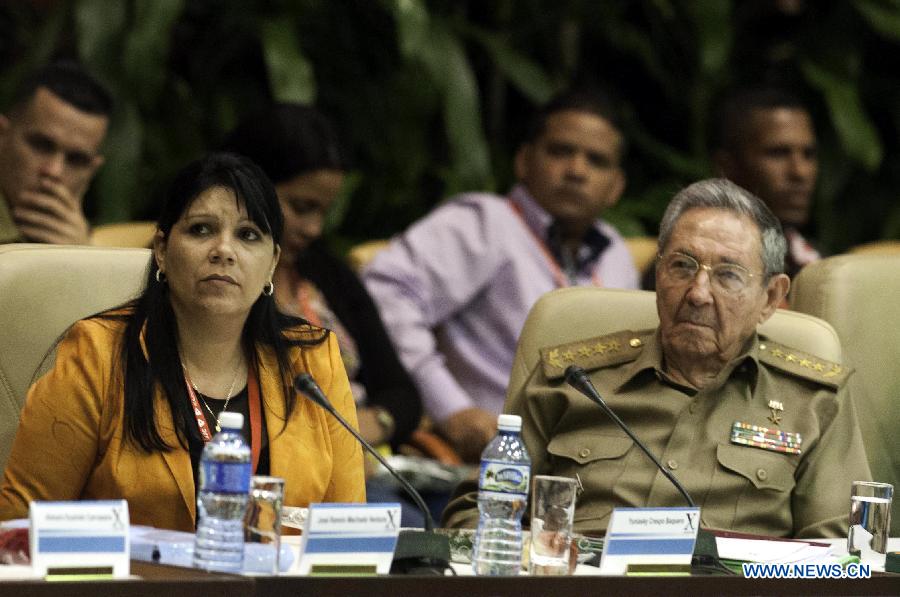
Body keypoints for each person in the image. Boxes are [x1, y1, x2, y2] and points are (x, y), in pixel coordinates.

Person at [443, 178, 871, 538]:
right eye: (682, 266)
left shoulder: (813, 401)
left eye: (728, 275)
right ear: (659, 273)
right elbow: (478, 512)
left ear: (771, 298)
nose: (698, 294)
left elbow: (840, 556)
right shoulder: (572, 380)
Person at [0, 153, 365, 531]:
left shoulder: (311, 360)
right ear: (162, 249)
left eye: (248, 235)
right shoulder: (97, 355)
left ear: (272, 262)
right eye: (201, 230)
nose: (224, 250)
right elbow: (20, 525)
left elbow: (347, 535)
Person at [363, 89, 639, 463]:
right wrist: (452, 408)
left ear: (616, 186)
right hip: (491, 460)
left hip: (589, 461)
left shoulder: (615, 253)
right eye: (560, 151)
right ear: (523, 161)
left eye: (597, 160)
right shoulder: (485, 223)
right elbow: (385, 294)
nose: (577, 170)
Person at [220, 103, 422, 451]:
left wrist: (369, 424)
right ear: (247, 188)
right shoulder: (214, 276)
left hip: (359, 456)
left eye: (324, 212)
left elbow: (401, 393)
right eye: (301, 207)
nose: (314, 228)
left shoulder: (324, 271)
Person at [711, 86, 821, 278]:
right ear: (727, 167)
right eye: (778, 153)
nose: (800, 172)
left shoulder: (818, 263)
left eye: (808, 154)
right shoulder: (688, 264)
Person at [0, 61, 112, 245]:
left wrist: (83, 255)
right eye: (41, 146)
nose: (54, 171)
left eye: (76, 160)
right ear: (3, 135)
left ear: (91, 171)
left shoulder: (87, 243)